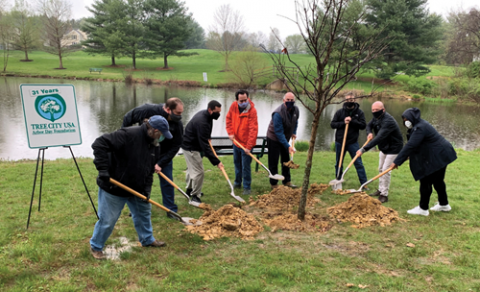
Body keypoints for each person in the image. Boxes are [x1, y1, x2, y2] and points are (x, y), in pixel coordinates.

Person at [90, 116, 173, 260]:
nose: (161, 138)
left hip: (137, 188)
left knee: (143, 214)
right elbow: (99, 144)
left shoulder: (154, 145)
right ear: (154, 130)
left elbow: (148, 172)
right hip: (114, 186)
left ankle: (147, 239)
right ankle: (96, 246)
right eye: (161, 134)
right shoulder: (128, 134)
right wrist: (103, 169)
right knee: (108, 220)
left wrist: (146, 191)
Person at [122, 98, 184, 221]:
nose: (179, 116)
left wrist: (161, 163)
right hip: (144, 153)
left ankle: (170, 209)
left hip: (163, 155)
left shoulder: (178, 124)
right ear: (167, 109)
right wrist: (126, 137)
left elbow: (176, 145)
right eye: (177, 113)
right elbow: (128, 118)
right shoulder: (147, 110)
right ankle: (137, 208)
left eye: (181, 113)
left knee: (167, 182)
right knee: (140, 181)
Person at [390, 108, 457, 216]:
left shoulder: (420, 128)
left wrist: (396, 162)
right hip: (443, 153)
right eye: (403, 119)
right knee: (438, 181)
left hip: (440, 154)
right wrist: (407, 156)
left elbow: (410, 145)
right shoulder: (419, 125)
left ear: (412, 118)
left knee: (425, 180)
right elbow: (418, 144)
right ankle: (444, 204)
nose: (405, 122)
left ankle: (423, 208)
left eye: (406, 119)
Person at [356, 101, 403, 203]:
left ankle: (384, 195)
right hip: (384, 147)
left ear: (383, 110)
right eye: (373, 110)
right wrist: (369, 133)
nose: (374, 112)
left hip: (394, 148)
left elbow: (379, 137)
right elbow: (369, 125)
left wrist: (363, 149)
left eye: (376, 110)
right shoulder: (377, 118)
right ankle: (380, 189)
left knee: (386, 170)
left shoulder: (388, 121)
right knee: (381, 168)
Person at [181, 100, 224, 203]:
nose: (218, 114)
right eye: (217, 112)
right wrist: (216, 161)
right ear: (210, 109)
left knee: (192, 169)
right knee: (199, 172)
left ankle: (189, 190)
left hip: (189, 144)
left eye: (219, 112)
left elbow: (207, 129)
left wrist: (207, 136)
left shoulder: (206, 115)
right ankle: (195, 196)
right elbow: (204, 146)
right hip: (191, 147)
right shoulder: (202, 121)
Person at [330, 92, 368, 186]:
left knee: (358, 163)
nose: (349, 102)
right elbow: (333, 124)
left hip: (353, 142)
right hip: (340, 141)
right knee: (338, 162)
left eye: (351, 100)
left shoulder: (359, 113)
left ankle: (364, 183)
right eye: (347, 100)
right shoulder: (339, 112)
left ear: (354, 100)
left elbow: (363, 126)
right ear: (345, 100)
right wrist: (343, 122)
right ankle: (338, 180)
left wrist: (352, 121)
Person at [226, 90, 258, 195]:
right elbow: (228, 119)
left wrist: (249, 146)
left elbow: (253, 130)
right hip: (236, 142)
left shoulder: (252, 111)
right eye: (241, 100)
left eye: (245, 100)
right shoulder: (233, 106)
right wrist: (230, 133)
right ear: (237, 100)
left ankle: (247, 187)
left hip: (246, 145)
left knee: (246, 167)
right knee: (237, 163)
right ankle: (237, 182)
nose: (244, 102)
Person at [266, 92, 299, 189]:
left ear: (294, 101)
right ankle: (274, 184)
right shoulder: (278, 113)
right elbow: (278, 133)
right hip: (274, 138)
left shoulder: (296, 110)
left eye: (291, 100)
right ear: (283, 100)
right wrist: (288, 146)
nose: (290, 102)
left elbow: (295, 121)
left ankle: (287, 181)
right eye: (288, 100)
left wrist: (294, 132)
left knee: (286, 160)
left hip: (285, 137)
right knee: (273, 161)